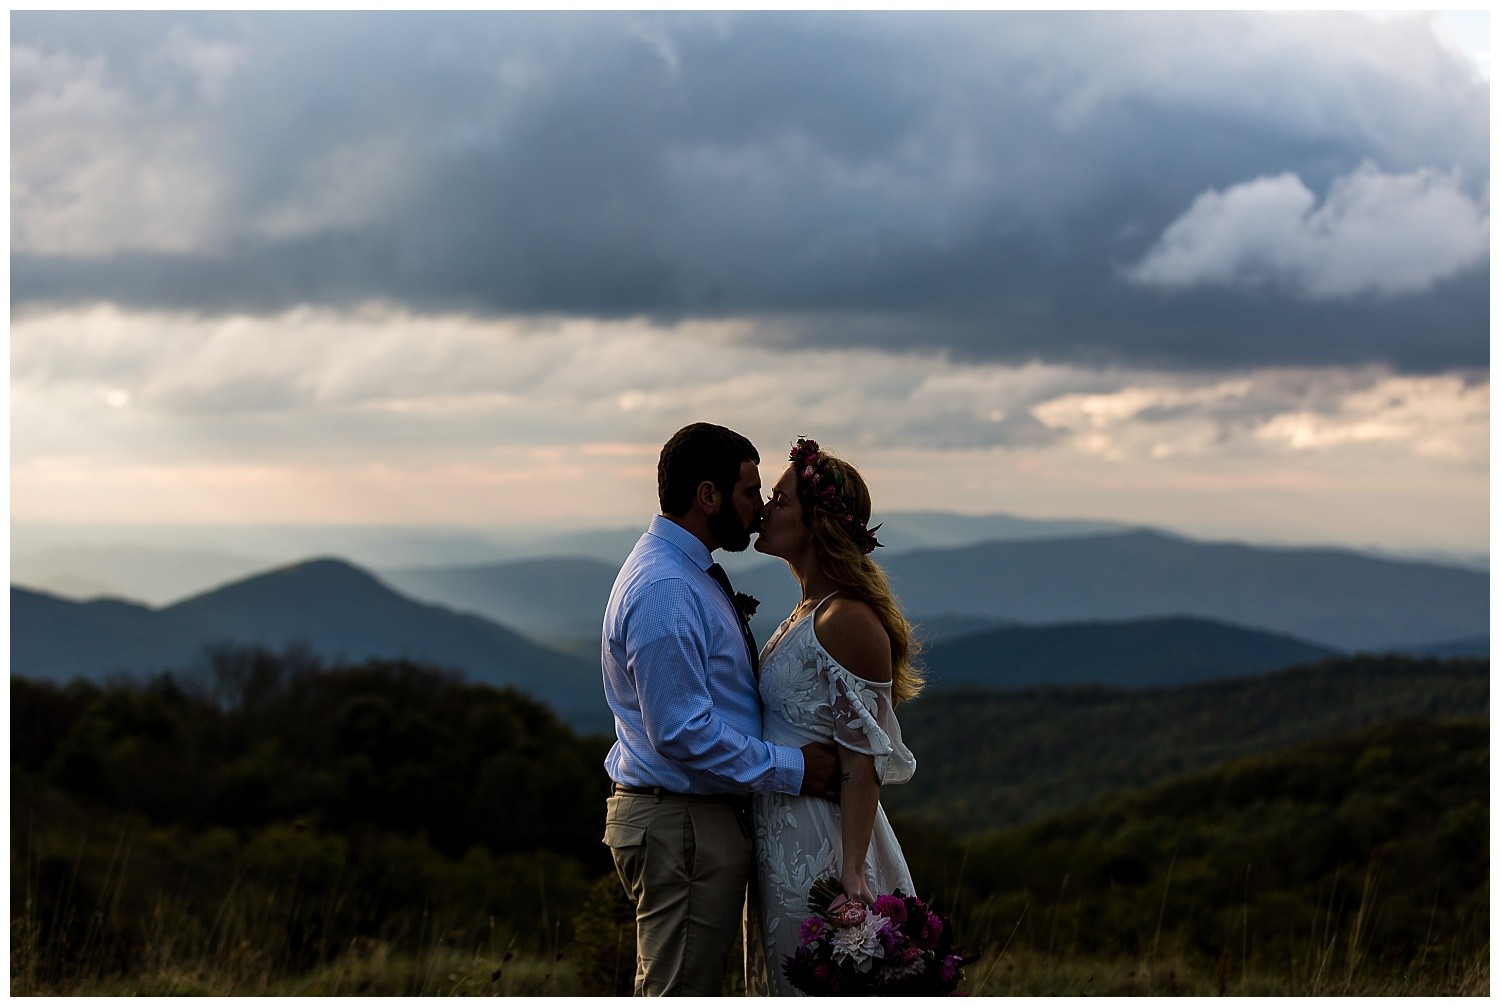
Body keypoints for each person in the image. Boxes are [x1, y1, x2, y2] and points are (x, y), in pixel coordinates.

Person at [601, 422, 841, 997]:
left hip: (690, 821)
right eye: (749, 492)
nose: (757, 509)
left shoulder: (682, 572)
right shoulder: (665, 588)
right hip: (681, 822)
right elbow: (681, 732)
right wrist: (795, 768)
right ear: (708, 496)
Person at [744, 436, 923, 996]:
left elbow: (861, 758)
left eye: (781, 499)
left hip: (818, 846)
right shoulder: (806, 611)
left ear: (816, 523)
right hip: (780, 834)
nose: (766, 509)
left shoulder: (846, 620)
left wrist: (850, 870)